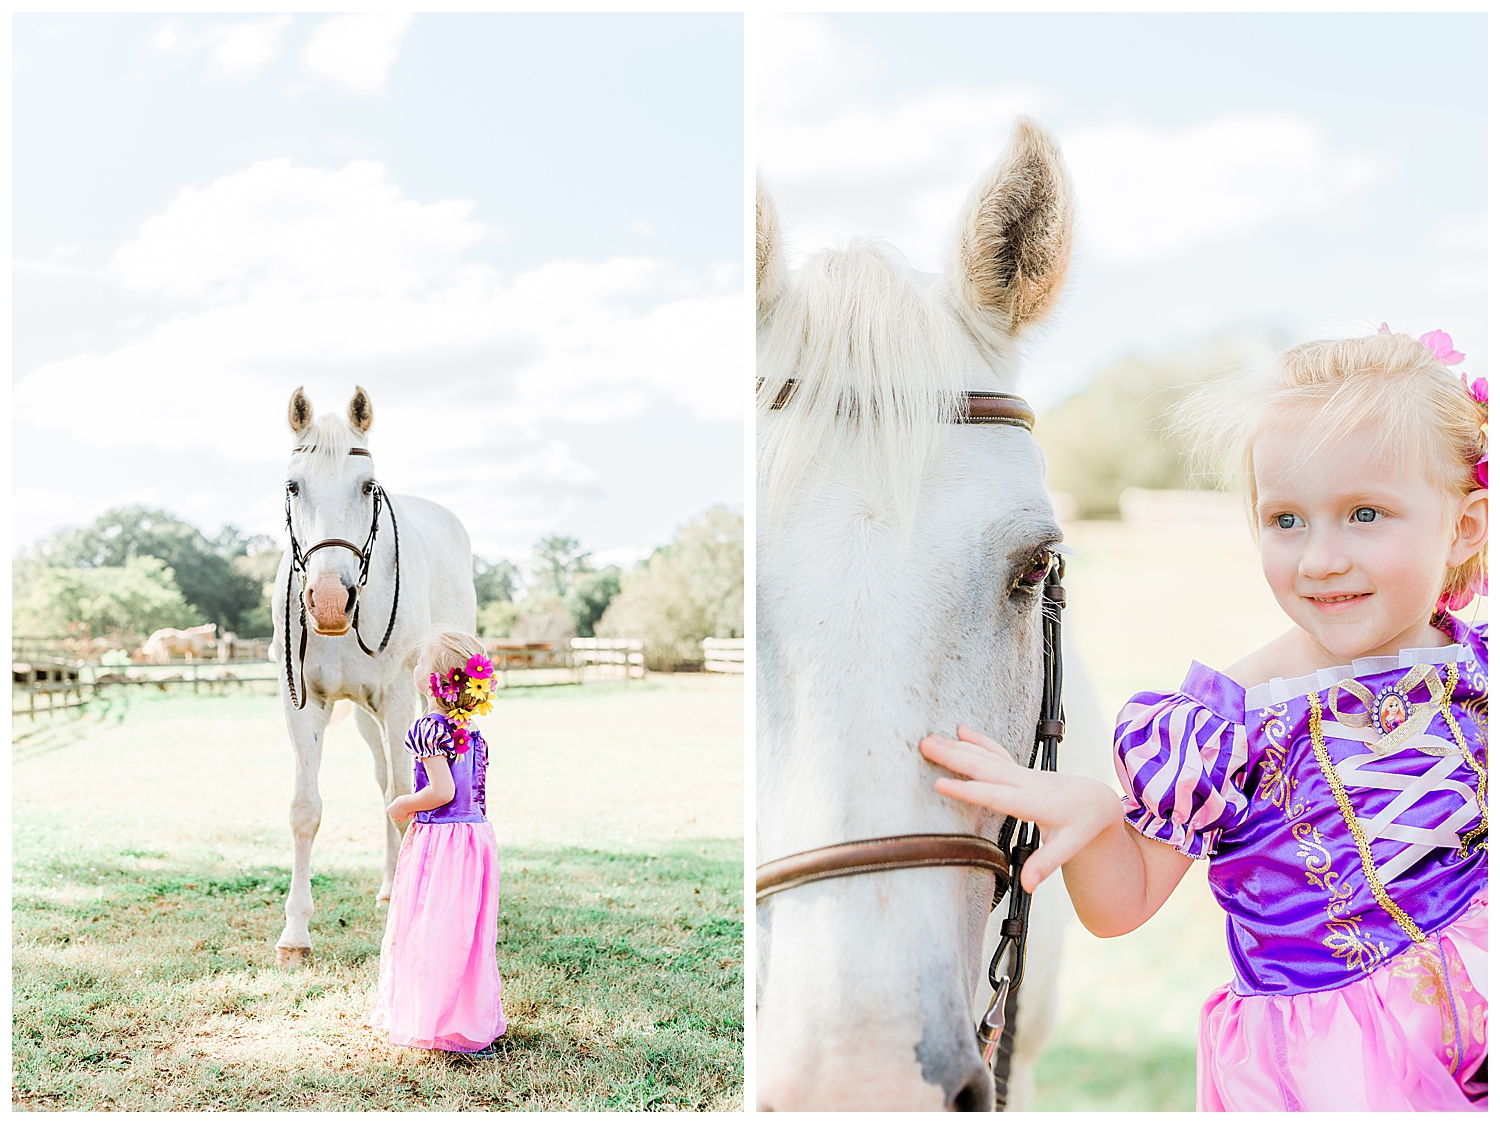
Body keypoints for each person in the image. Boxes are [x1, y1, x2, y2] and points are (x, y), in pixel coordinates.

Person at [920, 328, 1487, 1110]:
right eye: (1286, 520)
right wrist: (1096, 819)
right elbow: (1122, 907)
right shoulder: (1228, 722)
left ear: (1464, 527)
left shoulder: (1479, 669)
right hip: (1334, 1071)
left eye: (1365, 513)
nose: (1319, 558)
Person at [369, 629, 508, 1057]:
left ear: (431, 682)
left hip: (443, 842)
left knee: (435, 928)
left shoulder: (429, 729)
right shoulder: (469, 728)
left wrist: (404, 803)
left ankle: (434, 1021)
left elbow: (442, 791)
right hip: (475, 838)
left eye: (418, 663)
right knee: (465, 932)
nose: (412, 668)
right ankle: (466, 1017)